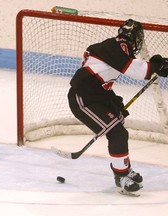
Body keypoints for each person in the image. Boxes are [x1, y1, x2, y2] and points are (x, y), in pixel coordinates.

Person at [67, 19, 168, 195]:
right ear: (136, 38)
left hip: (96, 94)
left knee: (119, 126)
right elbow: (135, 70)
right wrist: (157, 67)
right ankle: (121, 177)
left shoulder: (116, 48)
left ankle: (124, 169)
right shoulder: (116, 46)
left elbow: (109, 75)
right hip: (83, 98)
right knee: (118, 133)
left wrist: (113, 101)